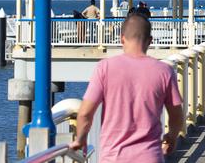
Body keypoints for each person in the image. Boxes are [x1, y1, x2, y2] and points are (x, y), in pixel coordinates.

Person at [69, 14, 183, 161]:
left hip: (114, 157)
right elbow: (176, 115)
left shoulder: (105, 68)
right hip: (149, 157)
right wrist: (172, 136)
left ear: (122, 39)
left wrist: (81, 138)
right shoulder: (164, 71)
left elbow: (85, 113)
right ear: (150, 41)